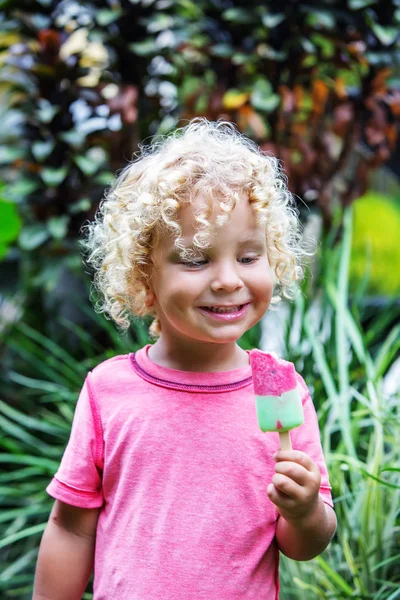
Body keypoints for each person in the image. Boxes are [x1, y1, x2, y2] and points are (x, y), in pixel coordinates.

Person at [33, 118, 336, 600]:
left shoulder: (281, 390)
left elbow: (303, 545)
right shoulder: (108, 391)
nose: (227, 280)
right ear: (143, 276)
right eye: (196, 259)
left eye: (249, 256)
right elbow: (72, 529)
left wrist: (304, 513)